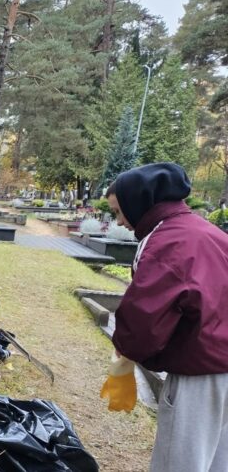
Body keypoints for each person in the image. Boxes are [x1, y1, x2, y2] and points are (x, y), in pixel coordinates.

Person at [101, 163, 228, 471]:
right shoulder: (209, 233)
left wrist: (127, 350)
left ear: (140, 203)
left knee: (181, 461)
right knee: (218, 460)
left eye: (120, 211)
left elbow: (145, 315)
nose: (121, 222)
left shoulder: (167, 243)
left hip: (199, 374)